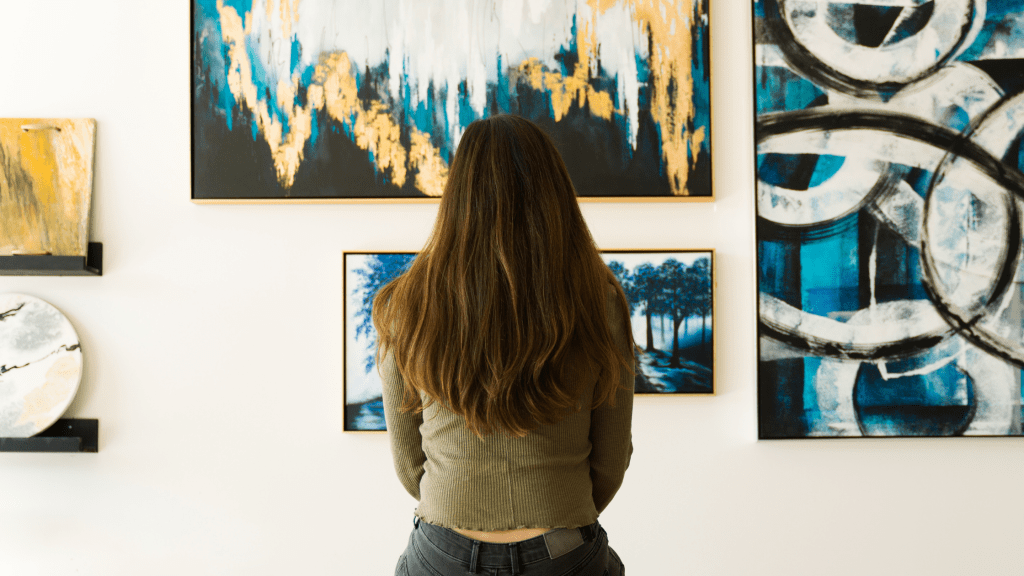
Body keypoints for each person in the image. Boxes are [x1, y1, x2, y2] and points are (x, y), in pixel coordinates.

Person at [373, 114, 635, 576]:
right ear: (555, 195)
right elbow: (611, 461)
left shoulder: (406, 302)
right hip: (565, 550)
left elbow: (409, 463)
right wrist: (557, 505)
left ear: (457, 196)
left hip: (444, 551)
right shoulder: (601, 301)